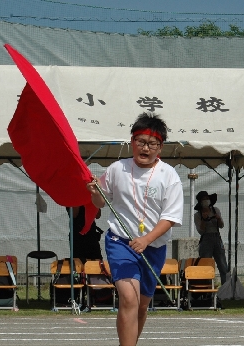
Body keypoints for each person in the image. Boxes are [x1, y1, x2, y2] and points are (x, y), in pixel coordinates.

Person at [87, 112, 183, 346]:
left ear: (160, 148)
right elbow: (100, 203)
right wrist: (95, 194)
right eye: (141, 142)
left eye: (152, 144)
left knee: (141, 305)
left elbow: (170, 218)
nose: (146, 148)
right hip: (120, 242)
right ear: (132, 142)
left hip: (153, 247)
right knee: (129, 298)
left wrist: (147, 240)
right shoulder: (116, 169)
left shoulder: (169, 176)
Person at [193, 190, 228, 285]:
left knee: (222, 265)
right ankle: (206, 287)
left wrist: (218, 218)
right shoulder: (197, 215)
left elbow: (221, 225)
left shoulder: (215, 210)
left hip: (217, 237)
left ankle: (225, 287)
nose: (206, 201)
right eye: (204, 199)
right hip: (206, 239)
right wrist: (204, 220)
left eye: (207, 198)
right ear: (200, 202)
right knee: (206, 264)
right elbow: (201, 231)